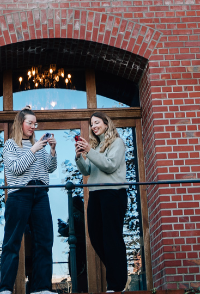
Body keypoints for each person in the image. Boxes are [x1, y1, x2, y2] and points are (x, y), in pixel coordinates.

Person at [0, 108, 57, 294]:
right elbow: (15, 169)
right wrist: (33, 150)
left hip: (40, 194)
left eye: (35, 124)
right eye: (30, 123)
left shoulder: (38, 145)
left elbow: (49, 168)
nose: (33, 127)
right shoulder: (10, 145)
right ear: (20, 123)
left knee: (44, 240)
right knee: (12, 241)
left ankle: (41, 288)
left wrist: (52, 150)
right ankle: (6, 288)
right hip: (19, 195)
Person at [74, 111, 128, 292]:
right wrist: (80, 157)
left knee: (112, 239)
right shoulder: (96, 147)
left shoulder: (117, 143)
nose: (93, 126)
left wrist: (89, 151)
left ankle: (116, 283)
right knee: (97, 239)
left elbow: (110, 165)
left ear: (106, 123)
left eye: (96, 122)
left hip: (113, 194)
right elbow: (87, 171)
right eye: (91, 124)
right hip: (96, 195)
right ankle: (118, 272)